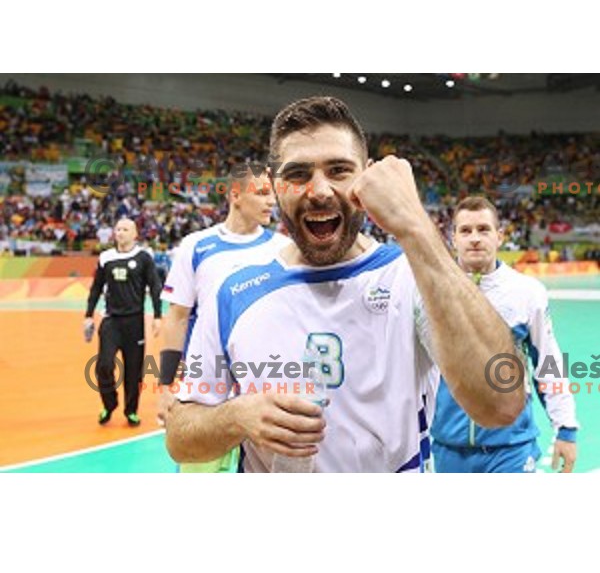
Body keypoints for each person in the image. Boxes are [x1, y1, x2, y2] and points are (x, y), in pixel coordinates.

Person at [165, 96, 524, 473]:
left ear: (366, 178)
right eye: (298, 174)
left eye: (338, 170)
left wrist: (415, 225)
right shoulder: (233, 291)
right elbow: (179, 438)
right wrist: (235, 417)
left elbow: (501, 402)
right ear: (274, 184)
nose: (319, 191)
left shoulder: (411, 275)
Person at [431, 197, 578, 473]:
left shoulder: (526, 292)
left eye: (483, 229)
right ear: (452, 239)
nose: (474, 238)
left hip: (511, 449)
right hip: (448, 448)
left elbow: (548, 361)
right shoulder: (431, 292)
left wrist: (566, 427)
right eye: (465, 230)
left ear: (499, 236)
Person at [158, 166, 288, 472]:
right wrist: (165, 387)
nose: (271, 202)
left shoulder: (283, 249)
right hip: (206, 396)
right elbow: (176, 318)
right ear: (235, 196)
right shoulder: (196, 246)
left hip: (263, 393)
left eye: (274, 194)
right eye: (262, 193)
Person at [85, 217, 163, 426]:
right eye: (117, 229)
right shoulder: (106, 258)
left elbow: (155, 286)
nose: (119, 232)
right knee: (104, 365)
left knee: (133, 371)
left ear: (135, 234)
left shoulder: (144, 257)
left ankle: (131, 410)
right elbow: (96, 288)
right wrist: (88, 315)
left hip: (135, 322)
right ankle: (109, 404)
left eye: (125, 229)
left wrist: (157, 316)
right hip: (111, 321)